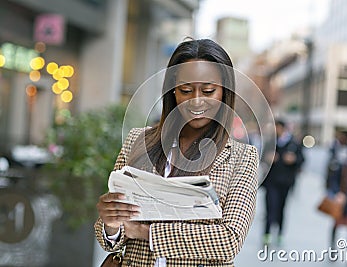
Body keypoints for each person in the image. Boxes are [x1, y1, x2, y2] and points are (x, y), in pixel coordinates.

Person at [95, 39, 259, 267]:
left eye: (209, 90)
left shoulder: (243, 157)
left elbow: (229, 239)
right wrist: (111, 224)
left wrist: (146, 232)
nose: (197, 100)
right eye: (185, 90)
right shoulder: (137, 140)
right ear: (172, 91)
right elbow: (112, 237)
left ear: (225, 92)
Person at [260, 119, 304, 246]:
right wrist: (268, 159)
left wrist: (293, 160)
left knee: (281, 208)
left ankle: (279, 233)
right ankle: (267, 233)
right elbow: (261, 157)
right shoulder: (270, 142)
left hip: (285, 182)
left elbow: (301, 160)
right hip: (271, 182)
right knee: (270, 207)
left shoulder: (293, 144)